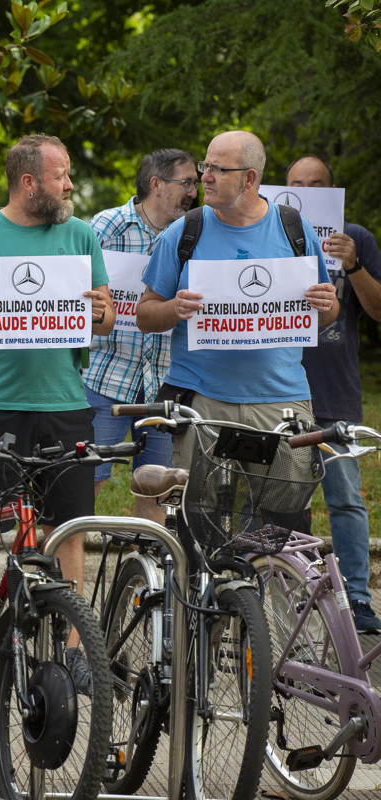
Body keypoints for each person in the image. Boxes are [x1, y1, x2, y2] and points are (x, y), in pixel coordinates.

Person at [0, 134, 113, 652]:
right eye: (61, 176)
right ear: (29, 183)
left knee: (69, 529)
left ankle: (77, 651)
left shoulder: (80, 236)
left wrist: (100, 314)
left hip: (65, 404)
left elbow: (106, 320)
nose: (70, 184)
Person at [137, 131, 338, 479]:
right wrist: (174, 309)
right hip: (202, 401)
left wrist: (326, 305)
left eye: (218, 169)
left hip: (281, 399)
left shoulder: (294, 229)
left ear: (249, 178)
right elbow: (144, 315)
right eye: (205, 165)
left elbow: (326, 316)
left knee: (279, 519)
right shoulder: (186, 231)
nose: (204, 177)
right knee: (199, 517)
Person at [286, 154, 381, 633]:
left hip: (335, 394)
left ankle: (358, 601)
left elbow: (379, 311)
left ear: (331, 190)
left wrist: (355, 265)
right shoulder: (268, 233)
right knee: (282, 502)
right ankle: (291, 599)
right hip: (279, 394)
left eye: (316, 184)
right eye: (297, 184)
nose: (306, 192)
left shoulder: (355, 238)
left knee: (345, 500)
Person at [86, 149, 198, 523]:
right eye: (187, 183)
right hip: (105, 377)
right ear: (157, 185)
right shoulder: (105, 226)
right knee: (86, 485)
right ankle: (60, 576)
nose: (194, 192)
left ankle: (144, 579)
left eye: (196, 183)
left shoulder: (195, 232)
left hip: (165, 386)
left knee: (158, 491)